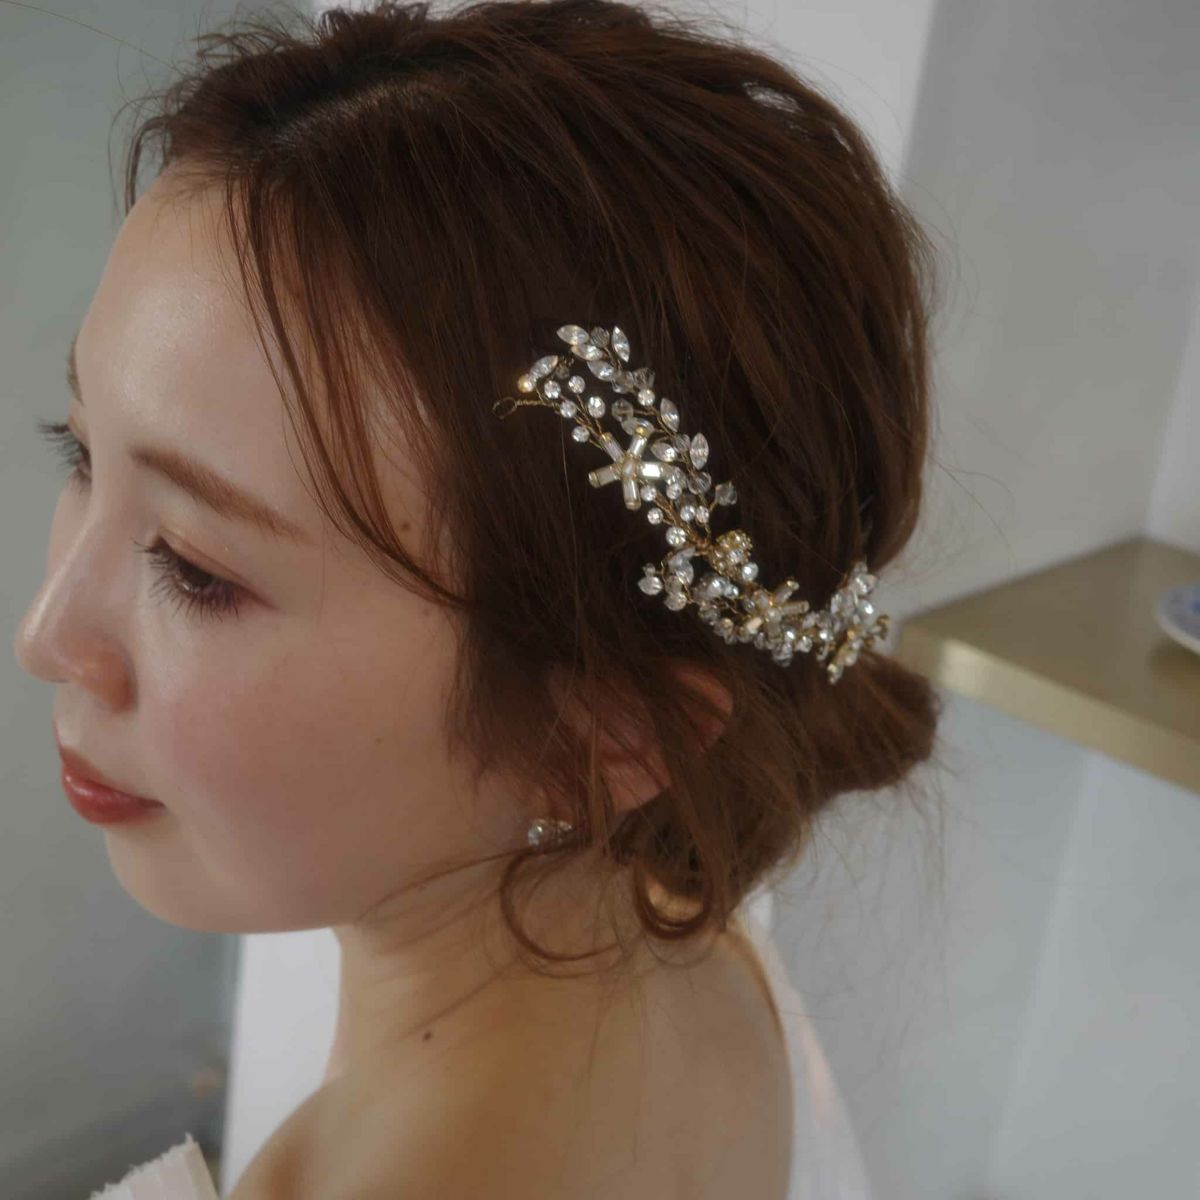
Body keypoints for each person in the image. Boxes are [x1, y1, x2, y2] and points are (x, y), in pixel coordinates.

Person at [13, 2, 944, 1196]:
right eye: (82, 456)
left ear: (606, 732)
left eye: (198, 570)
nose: (48, 636)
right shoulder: (678, 938)